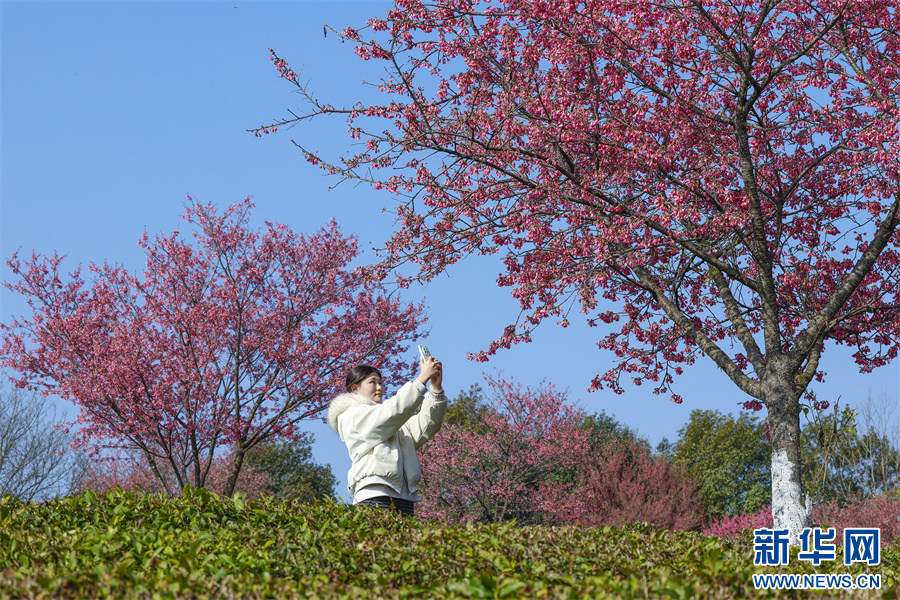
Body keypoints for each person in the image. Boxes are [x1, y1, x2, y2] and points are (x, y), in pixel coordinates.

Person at [326, 355, 447, 516]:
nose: (379, 388)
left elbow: (427, 425)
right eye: (372, 382)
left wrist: (436, 390)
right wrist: (421, 379)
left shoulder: (390, 423)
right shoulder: (352, 415)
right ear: (355, 388)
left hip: (405, 496)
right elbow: (391, 412)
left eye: (381, 383)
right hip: (375, 493)